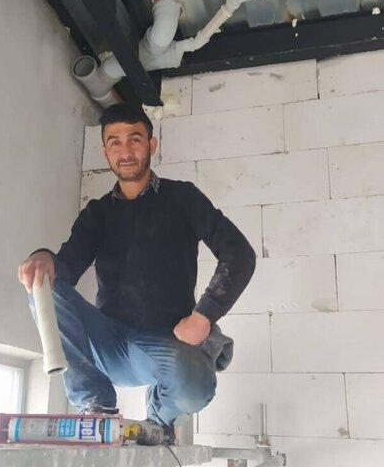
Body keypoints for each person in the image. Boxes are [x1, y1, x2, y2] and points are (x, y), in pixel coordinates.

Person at [18, 103, 256, 443]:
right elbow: (65, 269)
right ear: (105, 151)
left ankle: (158, 421)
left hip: (165, 345)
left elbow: (239, 253)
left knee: (196, 387)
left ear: (151, 145)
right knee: (43, 287)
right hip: (109, 343)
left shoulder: (182, 198)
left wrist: (205, 315)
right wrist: (42, 257)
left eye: (135, 139)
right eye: (115, 142)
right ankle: (96, 404)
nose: (126, 151)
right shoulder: (98, 213)